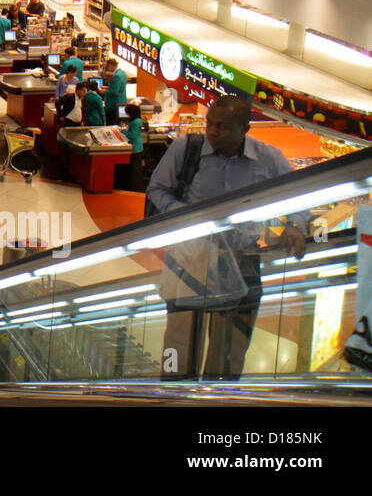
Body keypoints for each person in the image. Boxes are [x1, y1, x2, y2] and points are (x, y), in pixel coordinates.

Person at [148, 94, 306, 381]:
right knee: (178, 342)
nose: (212, 131)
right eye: (209, 123)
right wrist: (186, 216)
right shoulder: (187, 149)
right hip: (189, 258)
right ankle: (172, 390)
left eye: (221, 126)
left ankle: (220, 393)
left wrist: (295, 225)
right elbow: (157, 188)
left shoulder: (268, 159)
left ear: (244, 128)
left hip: (241, 259)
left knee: (230, 348)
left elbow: (298, 194)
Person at [103, 57, 128, 125]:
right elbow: (119, 87)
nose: (107, 69)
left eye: (107, 67)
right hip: (121, 103)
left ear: (111, 65)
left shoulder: (117, 76)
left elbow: (114, 92)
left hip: (114, 106)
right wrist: (107, 88)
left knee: (112, 125)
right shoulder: (122, 73)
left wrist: (103, 92)